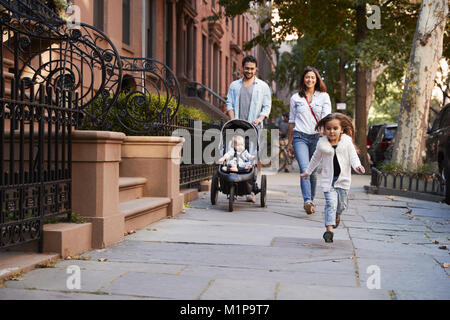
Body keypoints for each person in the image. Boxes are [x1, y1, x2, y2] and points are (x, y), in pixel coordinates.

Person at [300, 113, 365, 243]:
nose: (332, 131)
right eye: (328, 128)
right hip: (328, 181)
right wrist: (308, 171)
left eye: (335, 128)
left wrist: (358, 166)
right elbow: (315, 159)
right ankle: (329, 230)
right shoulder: (321, 144)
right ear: (324, 130)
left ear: (341, 129)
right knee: (330, 203)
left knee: (341, 205)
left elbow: (353, 157)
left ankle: (337, 214)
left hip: (343, 181)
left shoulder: (346, 142)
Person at [225, 55, 272, 202]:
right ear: (242, 68)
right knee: (234, 156)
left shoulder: (263, 86)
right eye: (247, 68)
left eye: (252, 69)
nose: (249, 71)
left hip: (254, 127)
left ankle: (250, 189)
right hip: (237, 127)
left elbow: (267, 107)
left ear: (256, 69)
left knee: (252, 158)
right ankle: (234, 184)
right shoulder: (234, 85)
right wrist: (233, 120)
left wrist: (259, 119)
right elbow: (229, 104)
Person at [288, 66, 331, 215]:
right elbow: (292, 121)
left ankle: (310, 201)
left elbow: (327, 119)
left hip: (317, 138)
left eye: (313, 77)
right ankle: (307, 200)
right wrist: (289, 142)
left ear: (317, 79)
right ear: (303, 79)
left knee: (312, 172)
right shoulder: (295, 98)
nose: (310, 80)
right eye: (307, 77)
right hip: (300, 136)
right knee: (305, 169)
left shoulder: (324, 96)